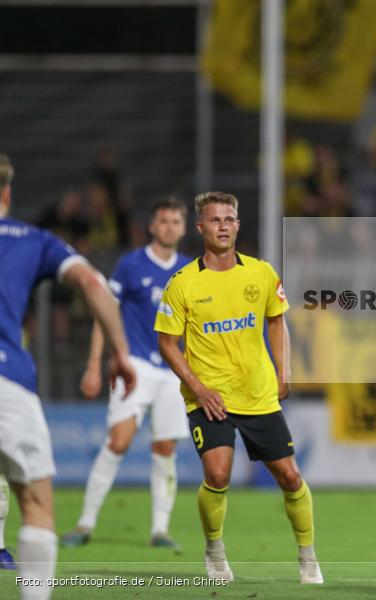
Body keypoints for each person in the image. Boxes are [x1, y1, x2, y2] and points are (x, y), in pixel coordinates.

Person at [154, 191, 322, 585]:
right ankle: (214, 551)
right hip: (208, 398)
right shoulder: (182, 284)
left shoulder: (261, 273)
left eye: (230, 219)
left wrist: (285, 370)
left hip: (258, 395)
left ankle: (307, 555)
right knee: (217, 474)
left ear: (238, 225)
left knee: (290, 477)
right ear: (201, 228)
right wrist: (199, 388)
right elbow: (166, 343)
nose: (224, 226)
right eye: (215, 220)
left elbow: (278, 320)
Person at [0, 154, 135, 599]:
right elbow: (94, 285)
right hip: (8, 382)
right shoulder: (32, 239)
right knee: (36, 505)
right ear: (7, 193)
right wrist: (120, 353)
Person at [61, 197, 192, 549]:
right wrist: (94, 365)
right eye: (162, 220)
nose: (168, 227)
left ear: (183, 227)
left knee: (164, 448)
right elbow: (106, 315)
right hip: (133, 365)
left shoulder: (191, 271)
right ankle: (84, 524)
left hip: (173, 371)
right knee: (118, 441)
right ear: (152, 226)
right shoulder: (131, 265)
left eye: (174, 221)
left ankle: (160, 530)